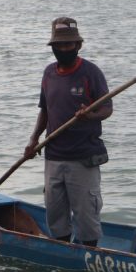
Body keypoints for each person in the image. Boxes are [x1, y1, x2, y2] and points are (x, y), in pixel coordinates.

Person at [24, 17, 113, 247]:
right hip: (53, 156)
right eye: (59, 45)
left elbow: (107, 108)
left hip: (83, 158)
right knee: (55, 216)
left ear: (78, 45)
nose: (64, 49)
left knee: (86, 217)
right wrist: (33, 140)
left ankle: (88, 254)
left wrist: (89, 115)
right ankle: (62, 252)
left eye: (68, 44)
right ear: (53, 47)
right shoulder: (49, 74)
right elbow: (45, 110)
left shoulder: (90, 73)